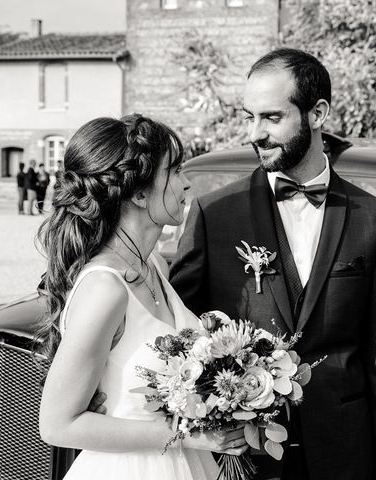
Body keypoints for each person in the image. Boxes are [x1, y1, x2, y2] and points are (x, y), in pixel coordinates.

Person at [169, 48, 376, 480]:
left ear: (317, 114)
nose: (255, 133)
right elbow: (178, 337)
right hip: (243, 457)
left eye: (272, 118)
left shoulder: (372, 217)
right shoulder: (215, 214)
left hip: (342, 452)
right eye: (249, 117)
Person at [36, 114, 247, 480]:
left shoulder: (152, 267)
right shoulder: (105, 288)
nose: (186, 185)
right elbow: (57, 424)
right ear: (138, 192)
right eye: (175, 171)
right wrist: (189, 432)